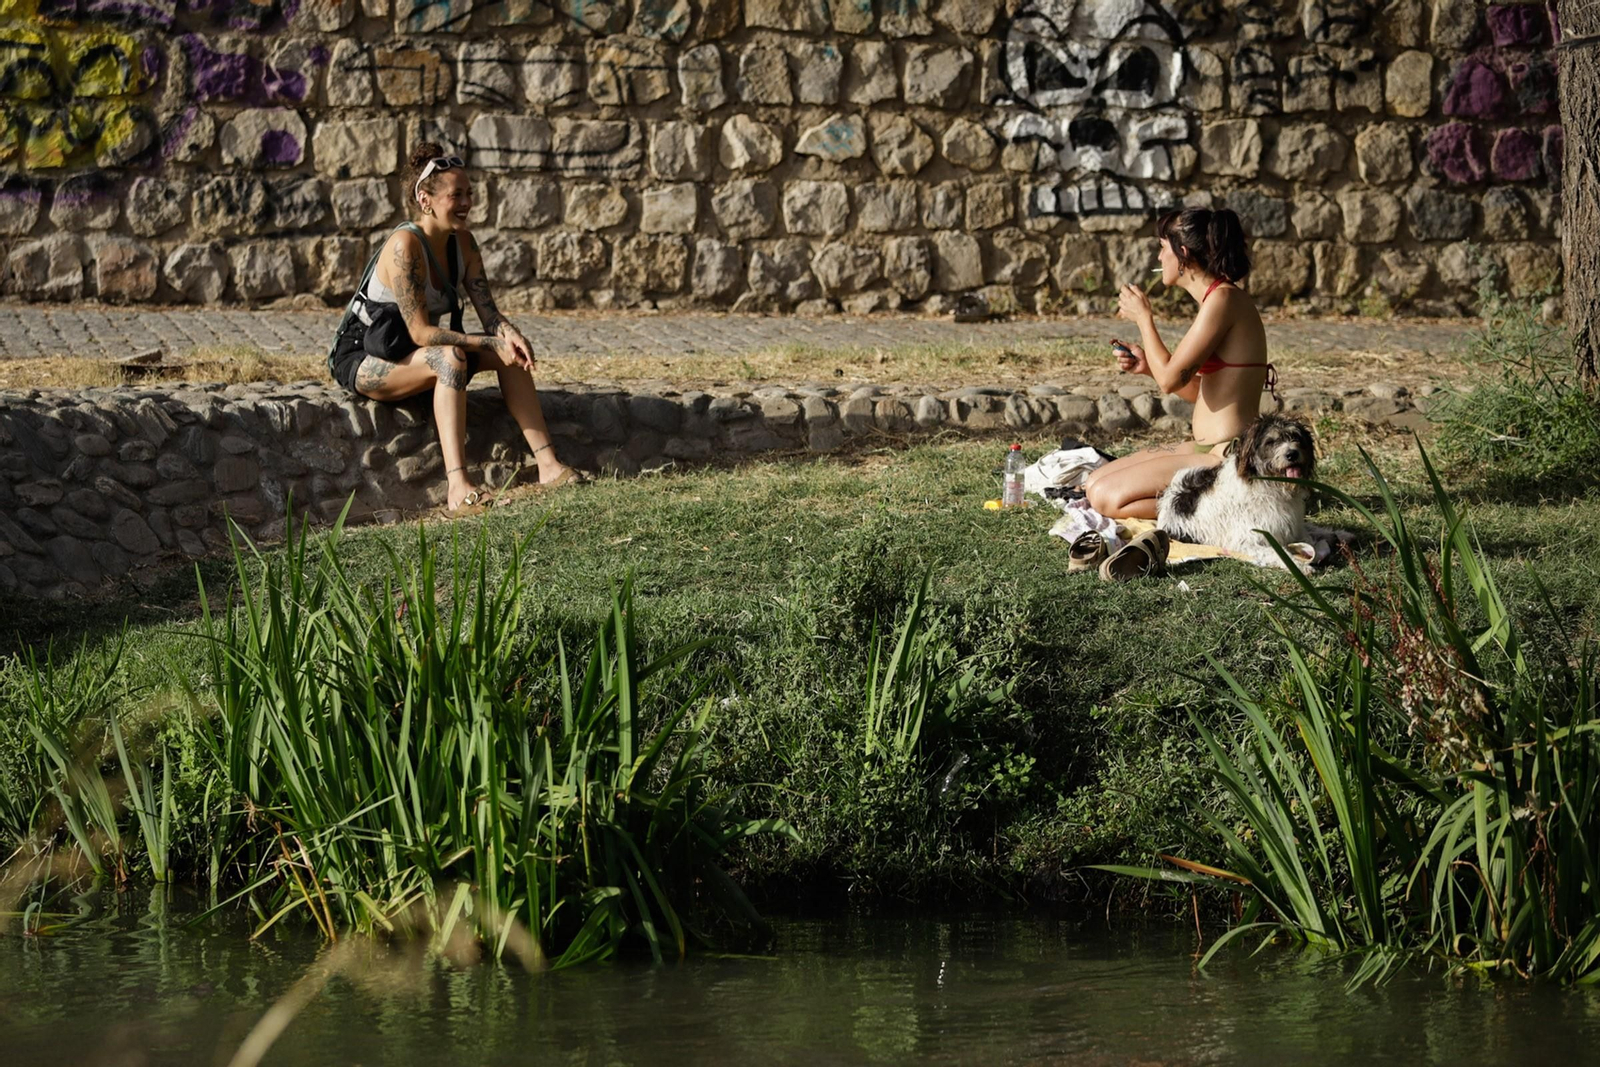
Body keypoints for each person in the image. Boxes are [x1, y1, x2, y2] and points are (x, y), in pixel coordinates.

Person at [328, 142, 579, 511]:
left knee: (508, 354)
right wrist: (485, 342)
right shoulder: (405, 245)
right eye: (455, 195)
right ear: (425, 199)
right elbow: (419, 334)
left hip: (412, 355)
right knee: (451, 359)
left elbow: (489, 314)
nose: (466, 203)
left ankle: (549, 466)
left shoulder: (464, 243)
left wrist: (507, 334)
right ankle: (458, 488)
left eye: (469, 194)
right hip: (363, 357)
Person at [1082, 207, 1275, 520]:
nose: (1159, 258)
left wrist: (1144, 318)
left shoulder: (1223, 301)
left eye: (1162, 248)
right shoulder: (1218, 299)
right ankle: (1207, 505)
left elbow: (1170, 380)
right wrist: (1147, 366)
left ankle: (1218, 512)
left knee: (1106, 498)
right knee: (1094, 482)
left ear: (1182, 253)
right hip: (1206, 448)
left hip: (1227, 457)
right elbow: (1202, 393)